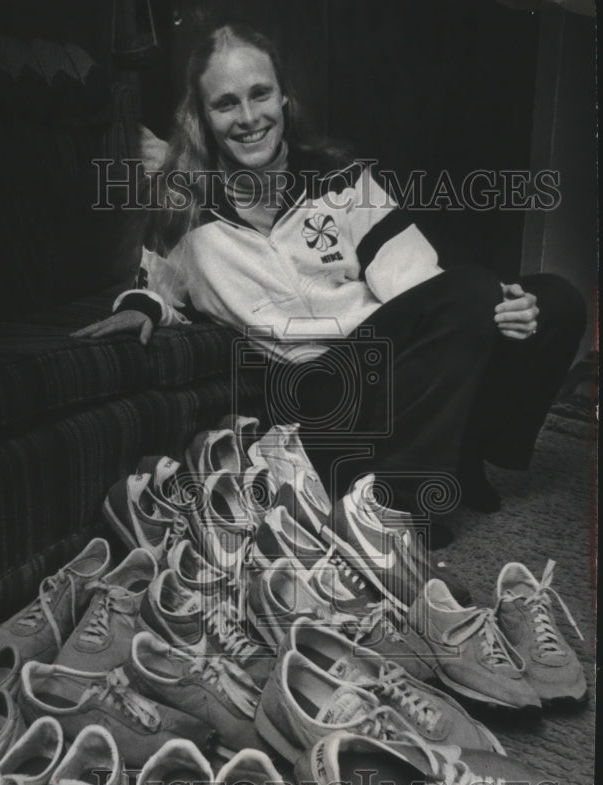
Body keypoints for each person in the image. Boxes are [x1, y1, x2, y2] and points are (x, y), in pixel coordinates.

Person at [74, 22, 585, 542]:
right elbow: (156, 281)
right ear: (202, 117)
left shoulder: (341, 179)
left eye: (260, 94)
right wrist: (141, 307)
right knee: (473, 292)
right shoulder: (187, 210)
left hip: (381, 360)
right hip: (310, 394)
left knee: (556, 300)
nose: (249, 118)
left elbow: (416, 283)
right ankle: (393, 507)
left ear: (285, 99)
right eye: (226, 104)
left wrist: (498, 308)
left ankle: (466, 455)